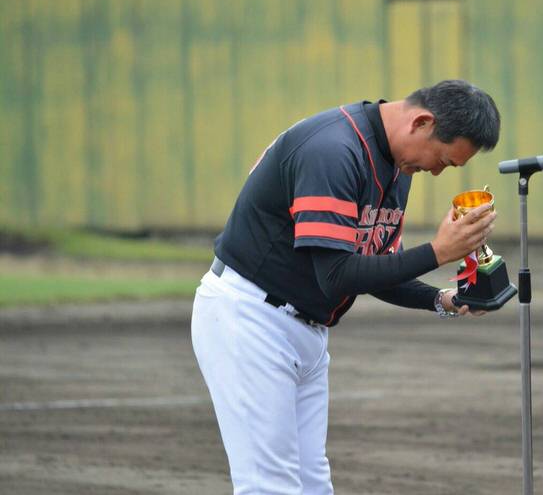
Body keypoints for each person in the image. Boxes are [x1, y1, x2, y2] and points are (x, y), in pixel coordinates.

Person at [191, 80, 501, 494]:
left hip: (302, 329)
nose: (436, 170)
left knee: (313, 484)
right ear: (422, 122)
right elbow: (336, 274)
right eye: (442, 160)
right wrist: (438, 251)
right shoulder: (333, 152)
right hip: (251, 321)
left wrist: (442, 299)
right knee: (271, 486)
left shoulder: (396, 163)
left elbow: (376, 267)